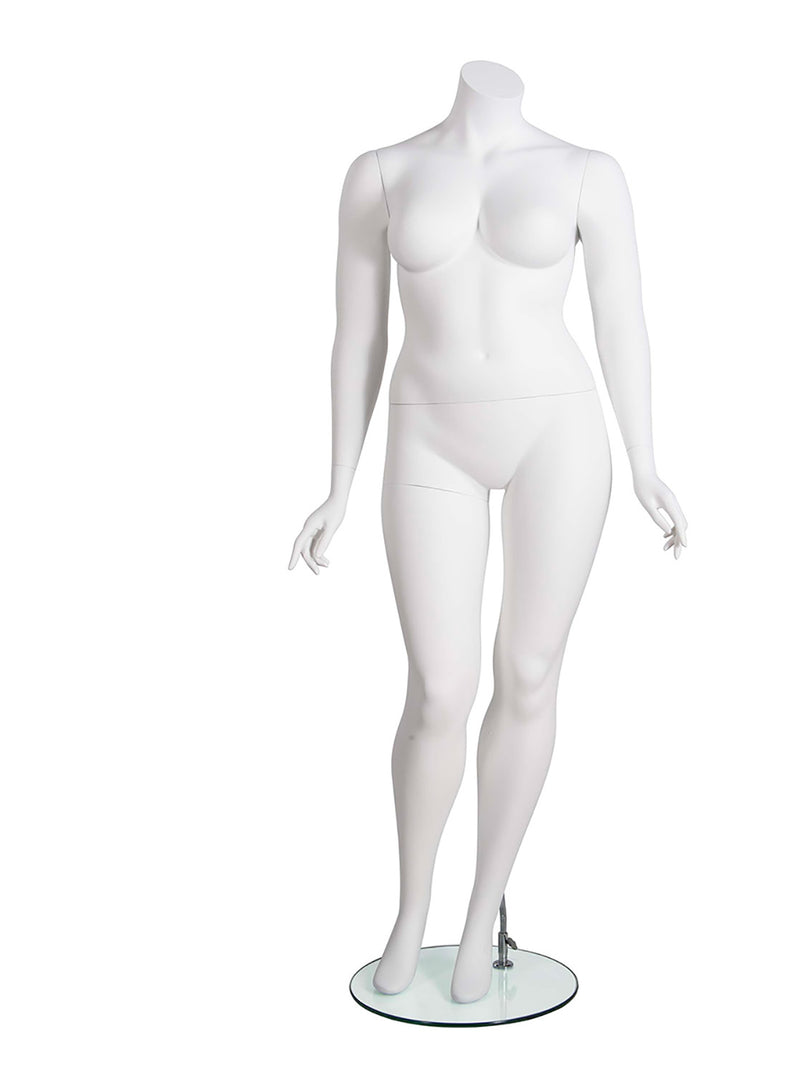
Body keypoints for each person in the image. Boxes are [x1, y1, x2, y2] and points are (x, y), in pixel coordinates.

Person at [289, 60, 687, 1004]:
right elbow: (356, 335)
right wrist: (338, 482)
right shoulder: (381, 173)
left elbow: (622, 320)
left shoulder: (587, 171)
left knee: (531, 672)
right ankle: (410, 909)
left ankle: (481, 916)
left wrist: (645, 461)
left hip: (558, 431)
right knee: (440, 687)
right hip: (429, 430)